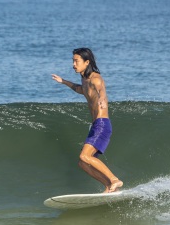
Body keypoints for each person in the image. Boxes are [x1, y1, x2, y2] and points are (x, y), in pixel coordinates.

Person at [52, 48, 123, 193]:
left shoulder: (95, 78)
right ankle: (109, 186)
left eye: (76, 61)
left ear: (87, 62)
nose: (73, 64)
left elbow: (101, 89)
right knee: (83, 163)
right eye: (73, 61)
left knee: (84, 156)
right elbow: (80, 89)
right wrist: (63, 81)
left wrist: (103, 98)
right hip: (96, 125)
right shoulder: (84, 80)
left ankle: (114, 180)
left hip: (102, 124)